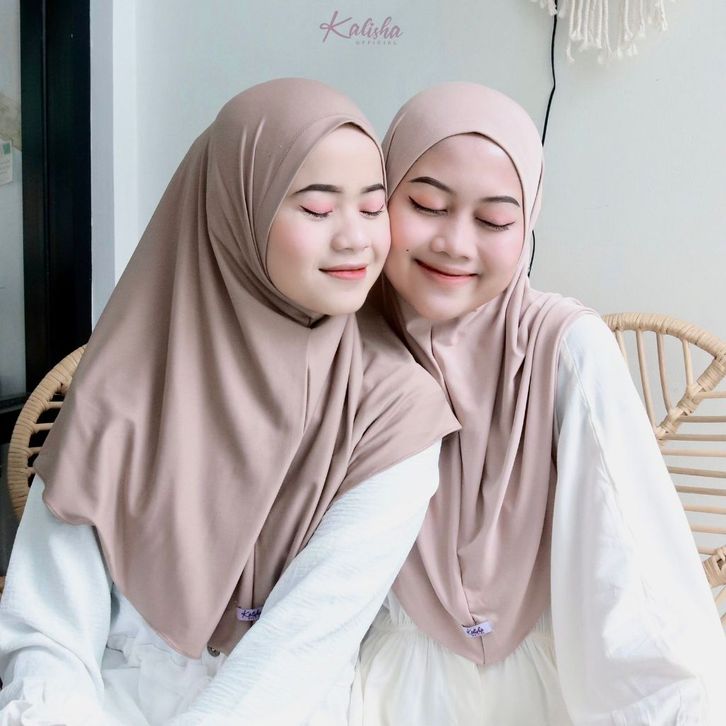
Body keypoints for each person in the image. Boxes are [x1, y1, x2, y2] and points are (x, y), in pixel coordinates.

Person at [0, 78, 459, 725]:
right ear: (234, 210)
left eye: (372, 206)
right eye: (317, 208)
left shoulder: (394, 410)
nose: (356, 239)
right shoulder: (126, 378)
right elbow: (48, 630)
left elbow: (299, 652)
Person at [353, 81, 726, 725]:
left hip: (543, 692)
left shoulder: (567, 348)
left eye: (495, 221)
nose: (455, 243)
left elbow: (633, 575)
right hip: (372, 689)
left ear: (528, 225)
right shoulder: (343, 344)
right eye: (427, 204)